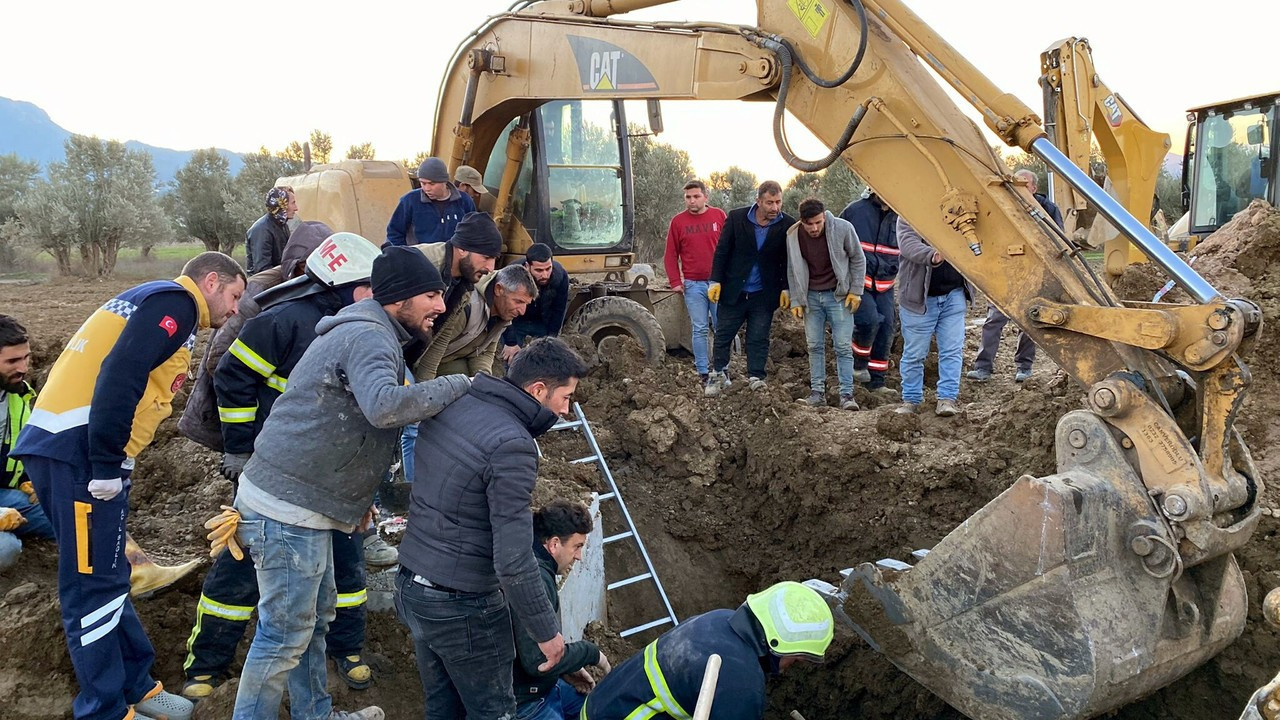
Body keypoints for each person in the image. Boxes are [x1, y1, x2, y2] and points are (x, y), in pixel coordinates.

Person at [225, 245, 472, 720]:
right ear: (398, 297)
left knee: (311, 625)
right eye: (431, 296)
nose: (441, 307)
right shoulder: (368, 337)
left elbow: (352, 423)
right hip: (286, 510)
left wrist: (354, 499)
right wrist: (459, 386)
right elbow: (383, 407)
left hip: (304, 500)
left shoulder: (374, 333)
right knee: (282, 637)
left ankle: (314, 713)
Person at [11, 252, 248, 720]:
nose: (236, 309)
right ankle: (104, 709)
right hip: (78, 455)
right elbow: (120, 375)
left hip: (77, 450)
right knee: (91, 586)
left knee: (112, 573)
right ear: (212, 281)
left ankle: (138, 686)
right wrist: (103, 463)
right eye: (236, 296)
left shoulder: (154, 300)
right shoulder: (176, 303)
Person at [180, 234, 382, 701]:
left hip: (332, 475)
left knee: (346, 562)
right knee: (240, 565)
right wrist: (241, 448)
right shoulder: (284, 320)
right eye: (370, 286)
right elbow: (231, 376)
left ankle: (346, 649)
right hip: (274, 474)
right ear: (348, 285)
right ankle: (208, 662)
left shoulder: (362, 329)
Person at [395, 337, 589, 720]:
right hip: (463, 605)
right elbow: (514, 560)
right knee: (495, 713)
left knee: (443, 708)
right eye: (565, 398)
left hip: (413, 588)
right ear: (537, 390)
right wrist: (551, 639)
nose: (566, 411)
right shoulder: (513, 445)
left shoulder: (460, 403)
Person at [179, 221, 332, 451]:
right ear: (298, 265)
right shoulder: (257, 294)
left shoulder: (313, 294)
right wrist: (248, 435)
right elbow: (219, 361)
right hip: (236, 420)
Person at [581, 581, 833, 720]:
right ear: (778, 644)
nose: (792, 666)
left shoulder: (719, 619)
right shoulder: (740, 684)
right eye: (797, 658)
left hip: (598, 707)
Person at [401, 210, 503, 483]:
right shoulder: (424, 263)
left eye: (495, 259)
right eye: (486, 257)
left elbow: (438, 338)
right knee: (410, 424)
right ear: (461, 248)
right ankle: (412, 492)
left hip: (409, 352)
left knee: (412, 419)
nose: (491, 267)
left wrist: (424, 387)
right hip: (387, 347)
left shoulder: (465, 283)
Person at [513, 500, 612, 720]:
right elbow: (537, 661)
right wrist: (589, 653)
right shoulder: (533, 579)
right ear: (554, 544)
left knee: (598, 709)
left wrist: (566, 667)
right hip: (524, 703)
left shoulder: (535, 564)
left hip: (543, 687)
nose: (579, 556)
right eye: (577, 547)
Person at [967, 169, 1063, 384]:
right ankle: (983, 366)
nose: (1017, 189)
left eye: (1023, 184)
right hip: (1005, 272)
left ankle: (1024, 366)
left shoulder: (1047, 209)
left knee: (1029, 321)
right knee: (993, 320)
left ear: (1033, 188)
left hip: (1033, 273)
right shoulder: (1001, 206)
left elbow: (1058, 238)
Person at [705, 181, 793, 395]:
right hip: (734, 290)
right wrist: (715, 280)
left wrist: (786, 287)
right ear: (758, 201)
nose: (775, 207)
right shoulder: (737, 217)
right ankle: (718, 374)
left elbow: (787, 260)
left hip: (764, 294)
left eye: (778, 202)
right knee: (723, 334)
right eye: (769, 202)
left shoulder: (787, 224)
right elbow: (722, 251)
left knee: (758, 337)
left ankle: (756, 377)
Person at [784, 197, 865, 411]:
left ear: (824, 216)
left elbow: (858, 258)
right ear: (802, 221)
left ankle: (847, 395)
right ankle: (817, 393)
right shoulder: (793, 235)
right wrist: (796, 299)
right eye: (809, 224)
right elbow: (793, 268)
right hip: (811, 297)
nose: (814, 228)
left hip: (838, 296)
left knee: (842, 347)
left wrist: (856, 291)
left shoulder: (842, 228)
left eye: (818, 222)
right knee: (814, 346)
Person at [895, 219, 971, 417]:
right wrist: (933, 255)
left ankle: (947, 398)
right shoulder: (909, 213)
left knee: (952, 350)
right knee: (914, 354)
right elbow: (907, 244)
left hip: (954, 294)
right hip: (919, 299)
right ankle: (911, 399)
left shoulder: (957, 212)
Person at [424, 264, 538, 379]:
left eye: (526, 304)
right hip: (426, 361)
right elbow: (432, 350)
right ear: (499, 289)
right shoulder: (467, 306)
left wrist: (484, 379)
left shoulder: (503, 313)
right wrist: (424, 388)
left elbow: (485, 351)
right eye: (518, 301)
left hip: (452, 359)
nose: (522, 311)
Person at [664, 180, 728, 383]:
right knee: (699, 327)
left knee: (722, 326)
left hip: (718, 283)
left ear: (705, 197)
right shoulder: (678, 222)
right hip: (693, 284)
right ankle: (702, 371)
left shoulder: (719, 216)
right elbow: (670, 254)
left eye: (696, 196)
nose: (691, 201)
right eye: (688, 197)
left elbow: (729, 248)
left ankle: (722, 368)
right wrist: (675, 280)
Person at [840, 188, 900, 396]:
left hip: (886, 283)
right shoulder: (855, 212)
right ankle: (858, 364)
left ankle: (877, 382)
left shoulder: (901, 218)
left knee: (887, 328)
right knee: (869, 320)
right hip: (858, 282)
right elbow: (837, 241)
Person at [0, 314, 43, 571]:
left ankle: (136, 572)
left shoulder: (16, 393)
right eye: (13, 361)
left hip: (7, 494)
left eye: (26, 358)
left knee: (76, 516)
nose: (23, 368)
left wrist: (38, 478)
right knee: (6, 550)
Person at [500, 243, 570, 365]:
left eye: (548, 269)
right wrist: (510, 342)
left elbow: (559, 310)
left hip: (542, 321)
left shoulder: (560, 276)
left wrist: (551, 339)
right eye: (538, 270)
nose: (544, 275)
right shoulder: (511, 275)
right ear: (527, 266)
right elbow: (503, 309)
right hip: (516, 321)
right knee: (511, 360)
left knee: (546, 361)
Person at [386, 157, 477, 246]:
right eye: (423, 183)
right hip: (418, 259)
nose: (427, 188)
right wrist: (403, 256)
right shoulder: (409, 201)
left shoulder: (464, 201)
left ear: (444, 181)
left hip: (453, 259)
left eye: (432, 184)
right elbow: (394, 233)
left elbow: (474, 233)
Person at [246, 186, 298, 274]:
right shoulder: (261, 230)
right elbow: (263, 270)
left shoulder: (282, 225)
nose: (296, 208)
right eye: (293, 203)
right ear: (282, 205)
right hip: (265, 286)